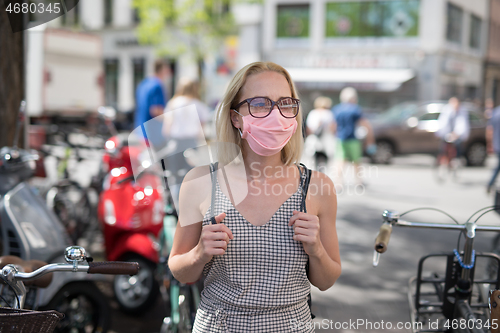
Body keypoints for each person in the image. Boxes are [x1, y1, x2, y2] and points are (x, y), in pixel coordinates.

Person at [168, 62, 341, 332]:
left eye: (285, 103)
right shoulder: (200, 182)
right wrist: (200, 253)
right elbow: (180, 270)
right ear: (235, 117)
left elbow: (327, 280)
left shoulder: (318, 187)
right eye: (260, 104)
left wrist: (316, 249)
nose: (276, 114)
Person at [161, 78, 211, 205]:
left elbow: (167, 127)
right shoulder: (198, 104)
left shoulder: (173, 103)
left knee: (174, 173)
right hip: (191, 142)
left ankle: (174, 202)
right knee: (190, 173)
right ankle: (188, 201)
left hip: (175, 142)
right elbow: (202, 127)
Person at [331, 87, 375, 185]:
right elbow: (365, 124)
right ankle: (359, 181)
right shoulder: (355, 109)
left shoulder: (337, 109)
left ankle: (338, 182)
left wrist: (334, 134)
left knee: (340, 160)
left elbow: (333, 125)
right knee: (356, 161)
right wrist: (370, 138)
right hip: (352, 138)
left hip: (340, 138)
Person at [134, 59, 170, 149]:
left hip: (140, 131)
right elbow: (156, 110)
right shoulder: (157, 85)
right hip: (153, 133)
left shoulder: (143, 84)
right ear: (162, 69)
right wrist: (170, 119)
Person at [435, 97, 470, 168]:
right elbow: (443, 123)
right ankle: (443, 159)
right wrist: (440, 132)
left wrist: (456, 133)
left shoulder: (462, 111)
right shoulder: (447, 110)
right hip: (446, 133)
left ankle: (456, 159)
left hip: (456, 134)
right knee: (443, 147)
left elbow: (462, 124)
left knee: (457, 146)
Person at [305, 96, 336, 170]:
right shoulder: (329, 113)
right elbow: (333, 128)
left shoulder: (313, 113)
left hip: (315, 140)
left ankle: (316, 174)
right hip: (326, 141)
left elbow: (308, 129)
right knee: (325, 160)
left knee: (315, 160)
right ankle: (322, 174)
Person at [487, 104, 500, 193]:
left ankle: (490, 184)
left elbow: (489, 130)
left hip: (497, 144)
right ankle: (490, 183)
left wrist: (489, 143)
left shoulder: (495, 112)